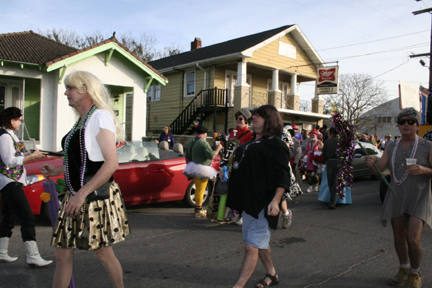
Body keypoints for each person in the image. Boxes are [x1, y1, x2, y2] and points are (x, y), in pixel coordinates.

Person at [40, 71, 130, 288]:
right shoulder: (82, 120)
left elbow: (111, 163)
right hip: (76, 194)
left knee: (103, 254)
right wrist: (55, 170)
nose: (65, 93)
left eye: (69, 88)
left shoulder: (99, 116)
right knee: (62, 255)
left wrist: (81, 194)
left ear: (85, 89)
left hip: (93, 197)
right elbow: (82, 160)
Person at [365, 108, 431, 288]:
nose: (406, 125)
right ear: (398, 126)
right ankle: (403, 269)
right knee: (399, 236)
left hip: (420, 196)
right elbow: (379, 170)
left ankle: (415, 273)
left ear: (417, 125)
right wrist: (371, 164)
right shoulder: (392, 146)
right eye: (402, 122)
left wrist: (425, 170)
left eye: (410, 121)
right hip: (396, 194)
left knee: (413, 238)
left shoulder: (428, 146)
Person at [227, 105, 290, 288]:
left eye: (259, 115)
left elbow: (282, 176)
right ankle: (272, 274)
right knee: (259, 243)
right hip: (249, 203)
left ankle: (238, 285)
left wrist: (276, 201)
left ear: (269, 120)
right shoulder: (250, 142)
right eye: (254, 115)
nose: (254, 117)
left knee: (251, 246)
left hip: (264, 203)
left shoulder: (276, 145)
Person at [0, 107, 52, 267]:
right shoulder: (4, 137)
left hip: (12, 182)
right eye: (19, 120)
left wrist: (31, 155)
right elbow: (9, 160)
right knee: (28, 218)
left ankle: (1, 253)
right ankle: (33, 256)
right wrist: (32, 156)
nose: (21, 123)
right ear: (11, 120)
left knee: (9, 218)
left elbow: (17, 155)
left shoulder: (10, 136)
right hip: (9, 182)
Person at [184, 125, 223, 217]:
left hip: (193, 167)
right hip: (202, 168)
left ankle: (198, 208)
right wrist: (219, 148)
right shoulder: (203, 143)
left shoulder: (191, 142)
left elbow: (187, 157)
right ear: (205, 133)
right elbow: (212, 155)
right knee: (201, 190)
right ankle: (198, 210)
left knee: (198, 189)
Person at [321, 127, 340, 210]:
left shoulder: (327, 141)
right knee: (336, 183)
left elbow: (323, 154)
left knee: (331, 182)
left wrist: (325, 160)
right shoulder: (341, 141)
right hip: (339, 162)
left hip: (329, 162)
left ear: (331, 133)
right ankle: (333, 201)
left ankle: (332, 200)